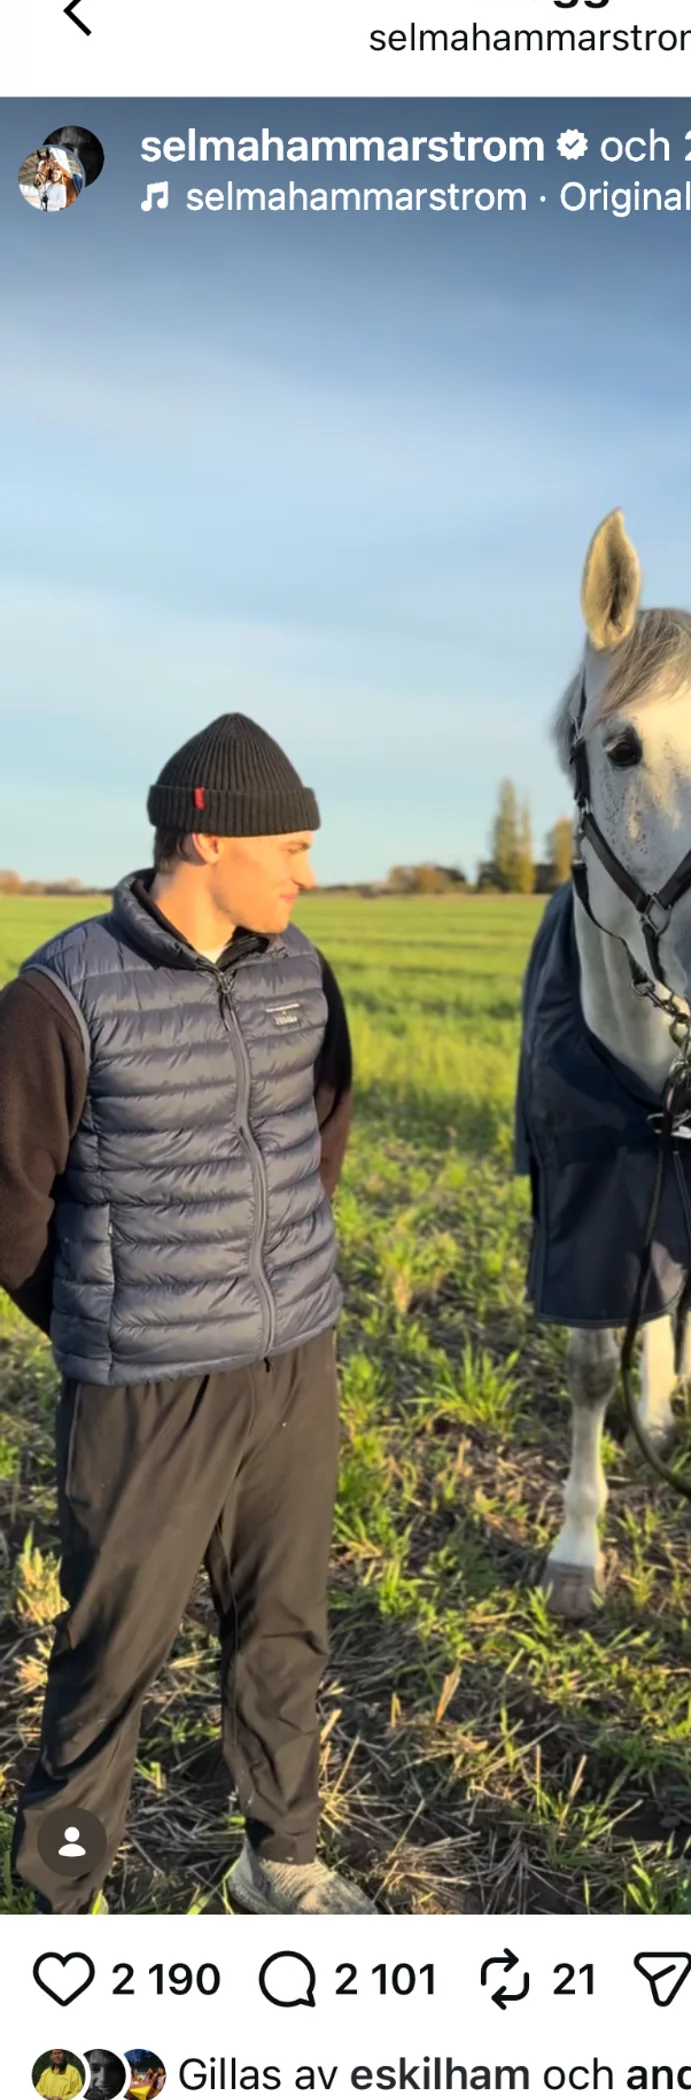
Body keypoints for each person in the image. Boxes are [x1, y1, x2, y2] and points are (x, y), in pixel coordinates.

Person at [0, 714, 374, 1914]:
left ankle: (284, 1862)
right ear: (206, 838)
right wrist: (113, 1320)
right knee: (111, 1659)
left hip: (293, 1365)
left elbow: (322, 1134)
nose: (308, 876)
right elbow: (10, 1201)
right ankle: (60, 1909)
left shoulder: (301, 968)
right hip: (146, 1387)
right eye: (294, 848)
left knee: (285, 1628)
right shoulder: (62, 992)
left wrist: (280, 1283)